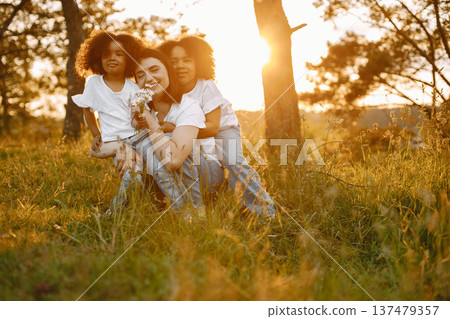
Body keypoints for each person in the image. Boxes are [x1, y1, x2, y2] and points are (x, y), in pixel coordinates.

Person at [72, 30, 192, 215]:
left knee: (161, 172)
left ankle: (183, 213)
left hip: (140, 138)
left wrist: (140, 120)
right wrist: (97, 134)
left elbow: (136, 121)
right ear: (98, 57)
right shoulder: (93, 83)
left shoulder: (133, 87)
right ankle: (113, 213)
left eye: (119, 54)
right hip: (115, 140)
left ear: (128, 59)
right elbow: (88, 111)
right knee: (132, 177)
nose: (112, 58)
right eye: (107, 54)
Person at [158, 36, 276, 219]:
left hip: (223, 129)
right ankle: (198, 206)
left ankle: (265, 210)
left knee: (233, 160)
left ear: (198, 62)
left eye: (187, 60)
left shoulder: (206, 86)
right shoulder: (170, 91)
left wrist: (177, 128)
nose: (180, 65)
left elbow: (213, 127)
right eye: (174, 62)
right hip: (190, 132)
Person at [122, 47, 223, 207]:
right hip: (163, 174)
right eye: (140, 75)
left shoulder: (188, 106)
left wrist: (150, 120)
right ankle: (124, 209)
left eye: (154, 70)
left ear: (168, 72)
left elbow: (173, 160)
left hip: (205, 171)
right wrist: (127, 150)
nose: (148, 78)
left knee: (160, 143)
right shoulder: (139, 111)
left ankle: (193, 211)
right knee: (139, 149)